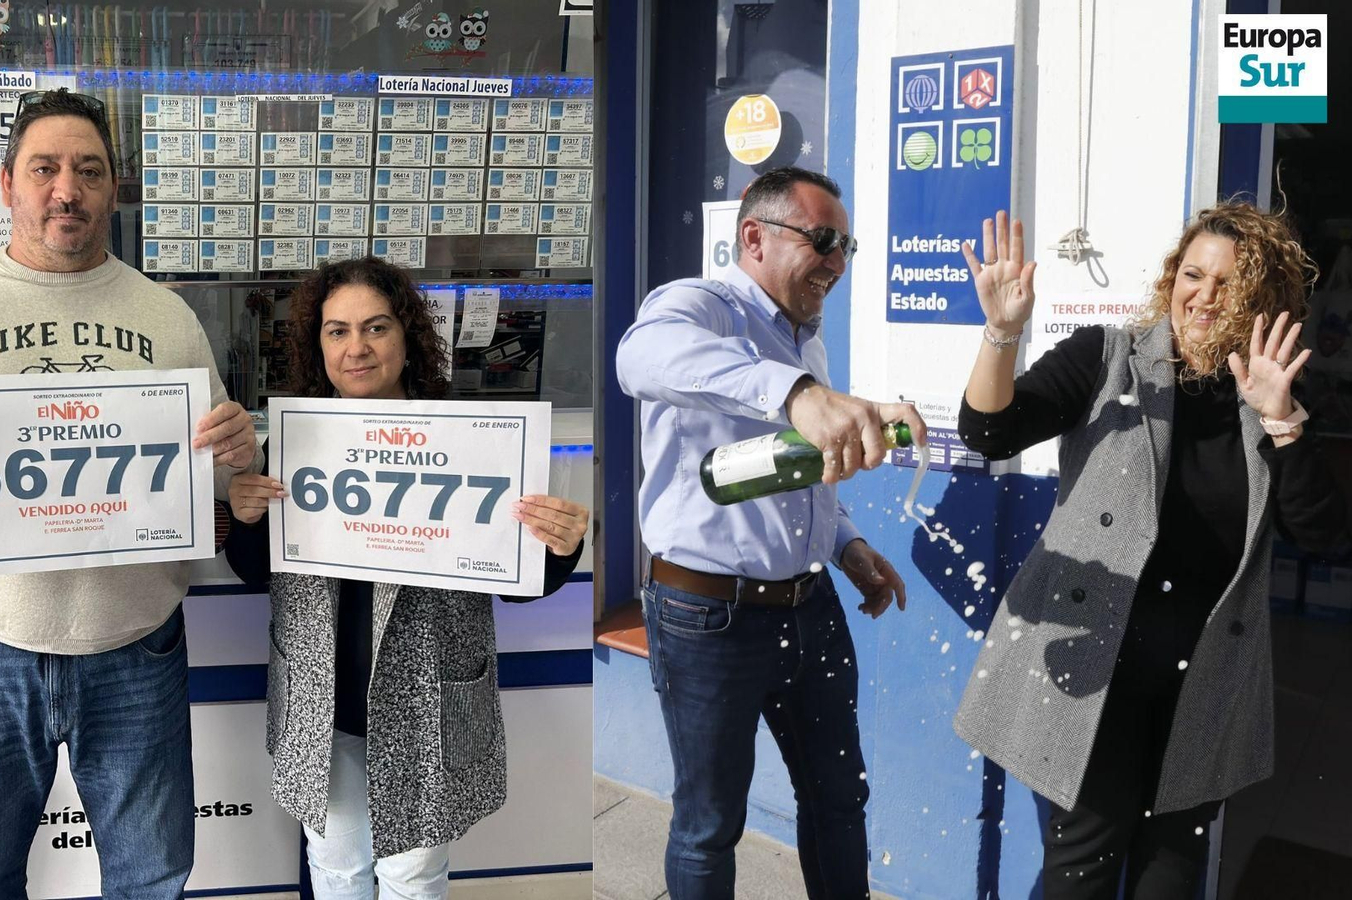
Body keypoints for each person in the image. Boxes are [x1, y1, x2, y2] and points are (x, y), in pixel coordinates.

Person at [0, 89, 259, 898]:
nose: (68, 188)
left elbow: (222, 475)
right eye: (46, 168)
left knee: (152, 874)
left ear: (113, 188)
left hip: (137, 647)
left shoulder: (166, 318)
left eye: (89, 170)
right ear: (9, 185)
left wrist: (240, 454)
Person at [953, 206, 1348, 898]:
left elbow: (1325, 535)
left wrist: (1282, 419)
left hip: (1204, 685)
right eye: (1193, 274)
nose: (1205, 294)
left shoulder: (1271, 392)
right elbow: (990, 433)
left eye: (1230, 283)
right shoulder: (1106, 359)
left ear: (1260, 300)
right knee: (1083, 869)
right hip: (1096, 675)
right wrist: (1003, 333)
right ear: (1173, 279)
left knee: (1172, 880)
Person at [221, 257, 589, 900]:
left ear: (407, 335)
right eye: (336, 331)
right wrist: (246, 518)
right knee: (335, 869)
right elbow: (257, 573)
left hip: (427, 697)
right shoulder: (294, 438)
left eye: (375, 327)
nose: (356, 347)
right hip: (321, 698)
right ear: (318, 345)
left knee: (413, 877)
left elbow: (519, 580)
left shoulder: (474, 437)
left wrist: (558, 549)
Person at [615, 165, 927, 899]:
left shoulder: (805, 341)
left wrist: (848, 547)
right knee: (709, 822)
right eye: (823, 240)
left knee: (840, 798)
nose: (837, 263)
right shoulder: (701, 306)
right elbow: (640, 357)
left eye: (846, 246)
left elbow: (795, 473)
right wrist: (794, 393)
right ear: (753, 236)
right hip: (705, 615)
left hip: (807, 605)